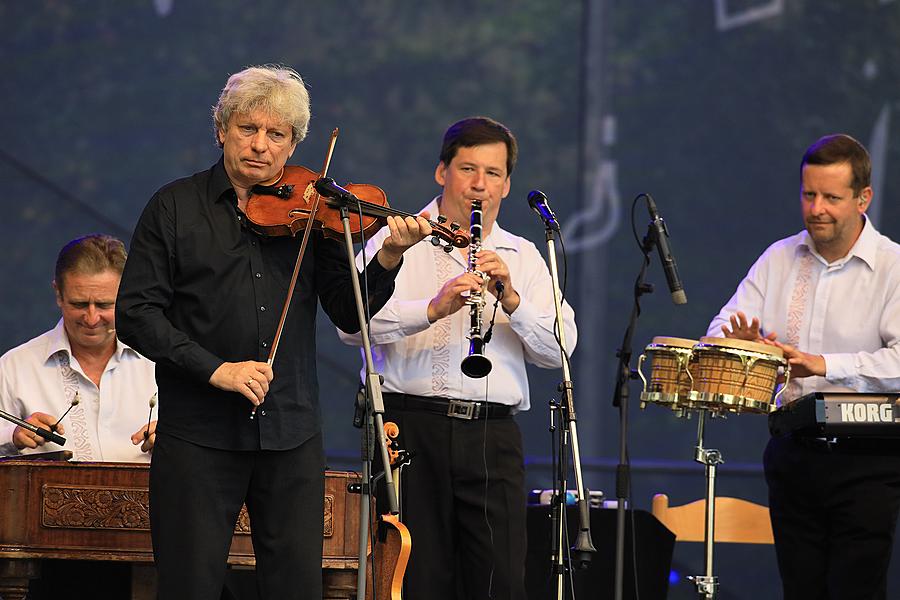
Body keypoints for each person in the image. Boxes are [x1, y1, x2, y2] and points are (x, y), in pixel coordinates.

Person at [115, 65, 430, 600]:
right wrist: (216, 370)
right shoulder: (173, 206)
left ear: (292, 144)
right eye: (248, 129)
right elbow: (137, 314)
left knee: (295, 585)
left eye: (276, 135)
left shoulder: (317, 211)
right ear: (222, 129)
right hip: (197, 433)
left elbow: (349, 314)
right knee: (189, 584)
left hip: (290, 432)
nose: (260, 146)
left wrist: (389, 259)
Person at [338, 116, 577, 600]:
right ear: (441, 172)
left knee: (500, 580)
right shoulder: (396, 239)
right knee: (415, 579)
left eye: (492, 173)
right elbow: (349, 324)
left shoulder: (525, 256)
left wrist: (512, 299)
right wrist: (432, 309)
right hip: (408, 430)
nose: (479, 184)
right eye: (468, 168)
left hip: (492, 434)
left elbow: (559, 351)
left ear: (507, 185)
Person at [707, 134, 900, 599]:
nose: (817, 208)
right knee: (801, 589)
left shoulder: (893, 265)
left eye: (832, 197)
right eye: (808, 194)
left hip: (868, 456)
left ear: (863, 198)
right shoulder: (779, 258)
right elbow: (717, 333)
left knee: (855, 589)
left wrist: (822, 365)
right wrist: (746, 347)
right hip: (793, 451)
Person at [0, 233, 157, 461]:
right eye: (79, 304)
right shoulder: (15, 367)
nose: (92, 318)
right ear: (58, 294)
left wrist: (176, 441)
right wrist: (12, 436)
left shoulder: (158, 362)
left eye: (104, 305)